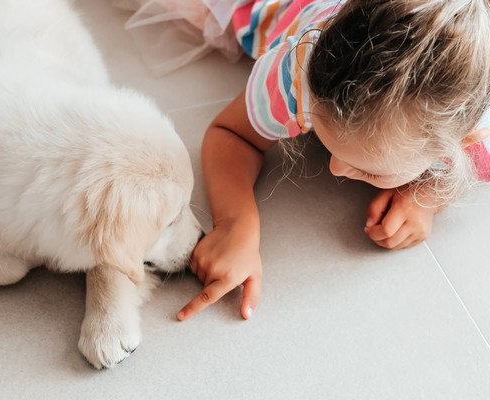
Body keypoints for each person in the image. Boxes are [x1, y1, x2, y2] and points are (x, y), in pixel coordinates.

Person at [176, 0, 490, 321]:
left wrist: (424, 196)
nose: (335, 169)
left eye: (371, 171)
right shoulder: (299, 67)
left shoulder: (470, 124)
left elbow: (476, 164)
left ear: (457, 143)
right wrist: (235, 223)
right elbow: (232, 132)